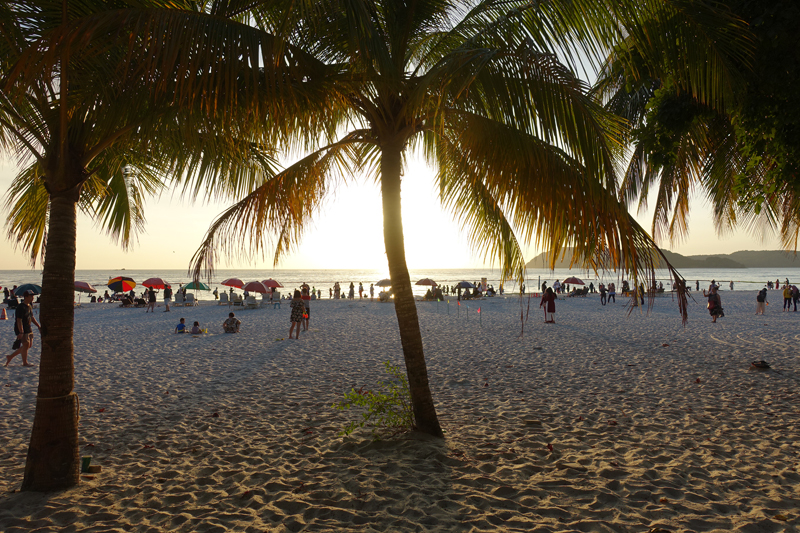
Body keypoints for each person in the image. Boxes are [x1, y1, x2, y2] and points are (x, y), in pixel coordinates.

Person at [5, 290, 41, 367]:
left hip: (28, 328)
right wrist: (21, 332)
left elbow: (31, 317)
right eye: (31, 296)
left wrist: (38, 326)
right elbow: (19, 320)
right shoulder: (20, 307)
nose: (33, 298)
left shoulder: (29, 305)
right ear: (26, 296)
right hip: (21, 328)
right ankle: (25, 363)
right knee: (26, 344)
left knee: (28, 345)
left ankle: (10, 357)